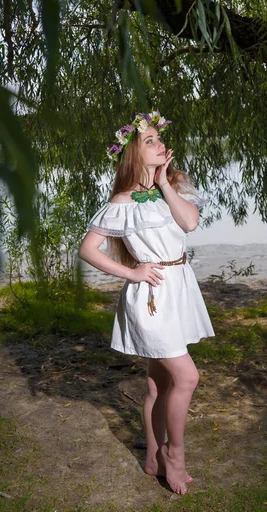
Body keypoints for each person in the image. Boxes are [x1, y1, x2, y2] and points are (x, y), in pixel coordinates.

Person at [78, 111, 215, 495]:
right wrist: (133, 273)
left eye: (159, 138)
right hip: (152, 295)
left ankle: (153, 456)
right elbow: (88, 249)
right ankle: (176, 455)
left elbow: (189, 224)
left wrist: (163, 184)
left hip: (180, 287)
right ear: (134, 153)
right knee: (187, 377)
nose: (160, 144)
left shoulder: (177, 187)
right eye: (150, 140)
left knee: (158, 386)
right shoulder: (121, 202)